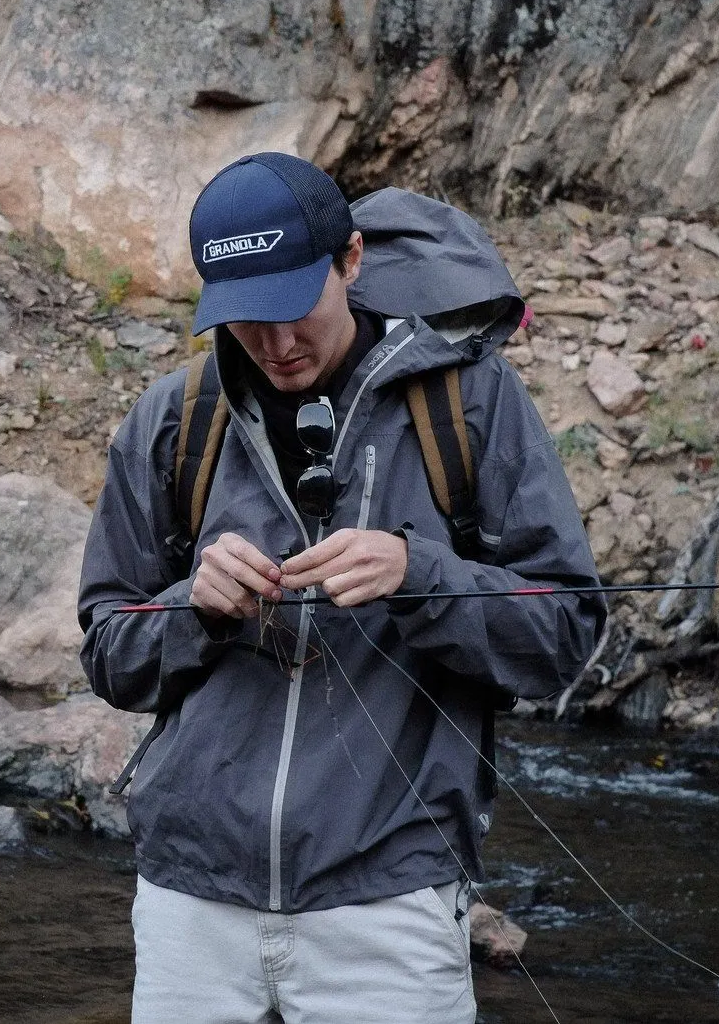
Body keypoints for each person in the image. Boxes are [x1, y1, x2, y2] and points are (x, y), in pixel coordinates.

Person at [79, 152, 604, 1024]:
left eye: (294, 310)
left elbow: (567, 632)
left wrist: (420, 575)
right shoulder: (175, 422)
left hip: (388, 908)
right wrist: (192, 609)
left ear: (351, 261)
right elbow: (108, 650)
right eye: (248, 319)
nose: (278, 345)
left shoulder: (468, 405)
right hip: (191, 906)